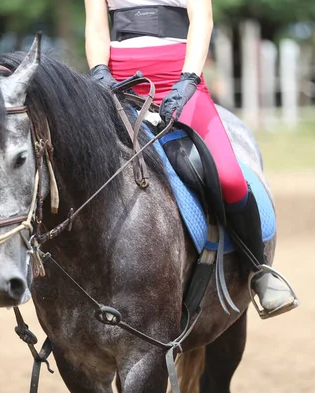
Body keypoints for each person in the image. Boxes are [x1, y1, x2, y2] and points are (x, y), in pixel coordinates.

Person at [84, 0, 297, 318]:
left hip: (180, 82)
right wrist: (99, 72)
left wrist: (188, 80)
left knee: (229, 178)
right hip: (118, 86)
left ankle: (258, 271)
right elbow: (96, 26)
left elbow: (202, 19)